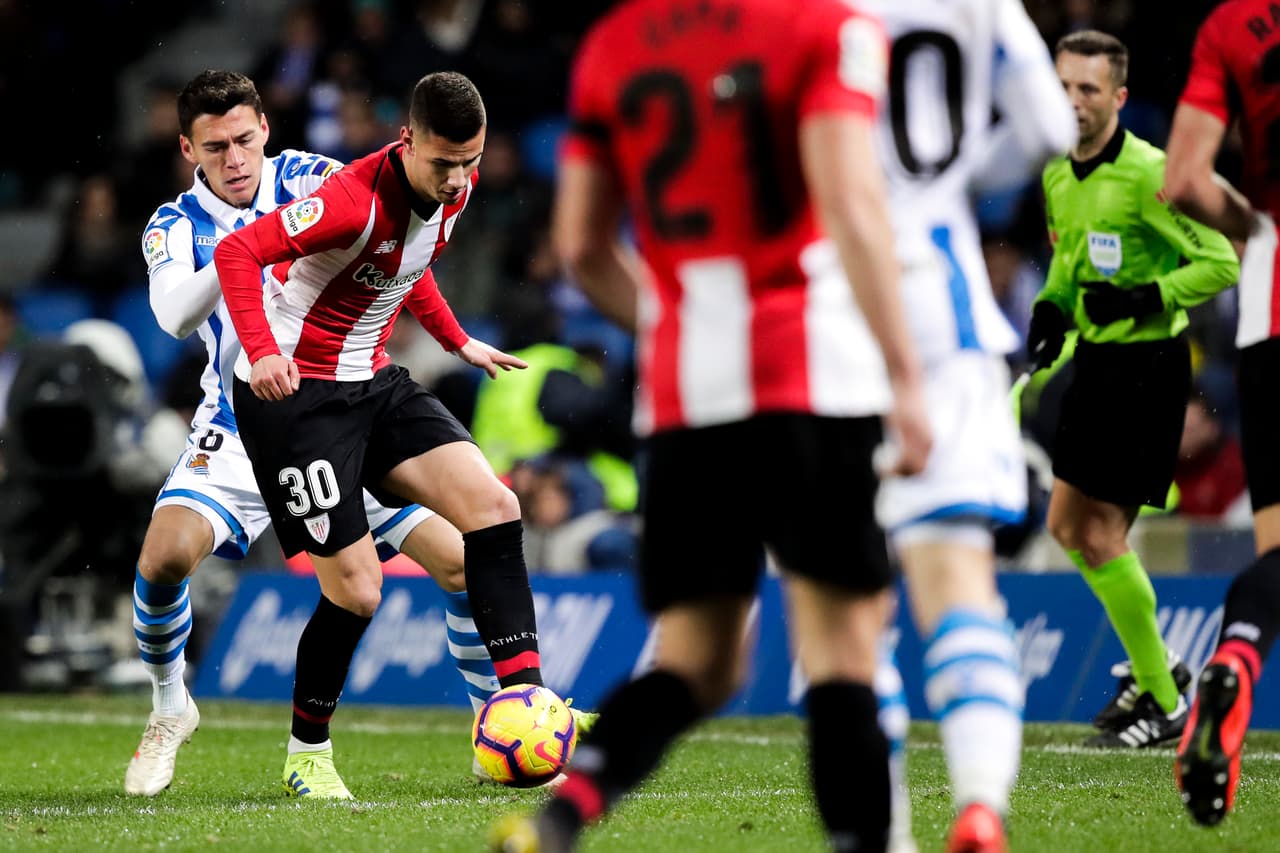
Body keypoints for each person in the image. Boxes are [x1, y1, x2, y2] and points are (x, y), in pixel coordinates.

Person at [489, 1, 932, 851]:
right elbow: (849, 202)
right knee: (843, 645)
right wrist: (906, 376)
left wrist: (678, 324)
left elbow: (580, 245)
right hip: (812, 375)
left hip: (687, 392)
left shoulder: (612, 41)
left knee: (697, 659)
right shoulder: (825, 26)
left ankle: (561, 814)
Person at [126, 69, 512, 799]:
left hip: (335, 408)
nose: (235, 158)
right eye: (215, 148)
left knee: (461, 558)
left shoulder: (315, 176)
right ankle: (169, 703)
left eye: (245, 139)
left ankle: (495, 719)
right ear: (188, 149)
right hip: (239, 424)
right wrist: (255, 245)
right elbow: (176, 316)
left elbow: (396, 256)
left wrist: (454, 336)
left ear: (266, 129)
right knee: (165, 557)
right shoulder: (174, 225)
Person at [212, 71, 581, 799]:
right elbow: (237, 255)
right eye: (442, 163)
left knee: (495, 510)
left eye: (469, 163)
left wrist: (457, 340)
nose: (456, 180)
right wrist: (260, 353)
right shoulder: (349, 199)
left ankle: (524, 709)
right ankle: (306, 754)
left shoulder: (457, 188)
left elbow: (407, 266)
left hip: (373, 382)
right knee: (357, 591)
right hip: (297, 401)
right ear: (406, 140)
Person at [857, 1, 1077, 849]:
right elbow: (1051, 127)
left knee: (848, 612)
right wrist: (951, 180)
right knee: (958, 588)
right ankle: (981, 799)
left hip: (835, 317)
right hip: (945, 317)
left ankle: (889, 834)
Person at [1028, 31, 1239, 750]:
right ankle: (1163, 672)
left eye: (1088, 90)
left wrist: (1147, 296)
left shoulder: (1151, 173)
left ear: (1119, 97)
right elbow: (1065, 264)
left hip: (1148, 370)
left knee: (1101, 533)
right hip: (1094, 364)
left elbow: (1220, 260)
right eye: (1063, 87)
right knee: (1063, 525)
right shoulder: (1057, 172)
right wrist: (1051, 309)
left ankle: (1164, 698)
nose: (1073, 103)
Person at [1163, 0, 1280, 826]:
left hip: (1271, 300)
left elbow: (1183, 180)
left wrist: (1258, 228)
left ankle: (1235, 651)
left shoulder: (1235, 24)